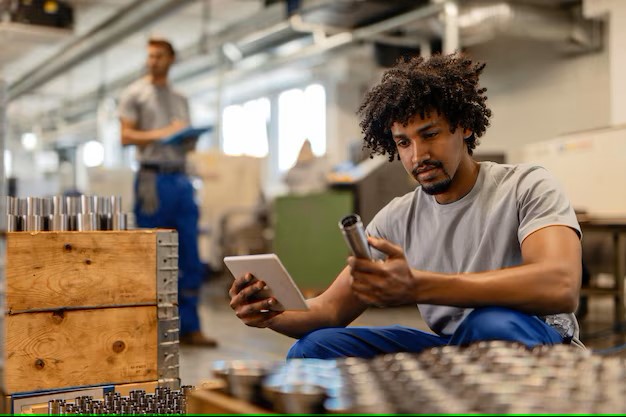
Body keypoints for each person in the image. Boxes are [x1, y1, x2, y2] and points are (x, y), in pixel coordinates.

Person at [228, 52, 583, 359]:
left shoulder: (526, 185)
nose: (418, 155)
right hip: (454, 349)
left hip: (535, 341)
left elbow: (559, 284)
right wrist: (269, 313)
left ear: (464, 127)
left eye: (430, 135)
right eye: (403, 142)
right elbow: (330, 309)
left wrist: (418, 285)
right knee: (315, 348)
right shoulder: (397, 218)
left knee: (491, 322)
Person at [118, 37, 217, 347]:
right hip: (153, 181)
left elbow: (181, 136)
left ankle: (190, 326)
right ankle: (148, 331)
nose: (153, 61)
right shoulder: (134, 93)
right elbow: (125, 136)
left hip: (180, 179)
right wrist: (163, 134)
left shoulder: (180, 98)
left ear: (172, 59)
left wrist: (187, 139)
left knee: (188, 253)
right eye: (149, 55)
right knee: (152, 253)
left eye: (159, 55)